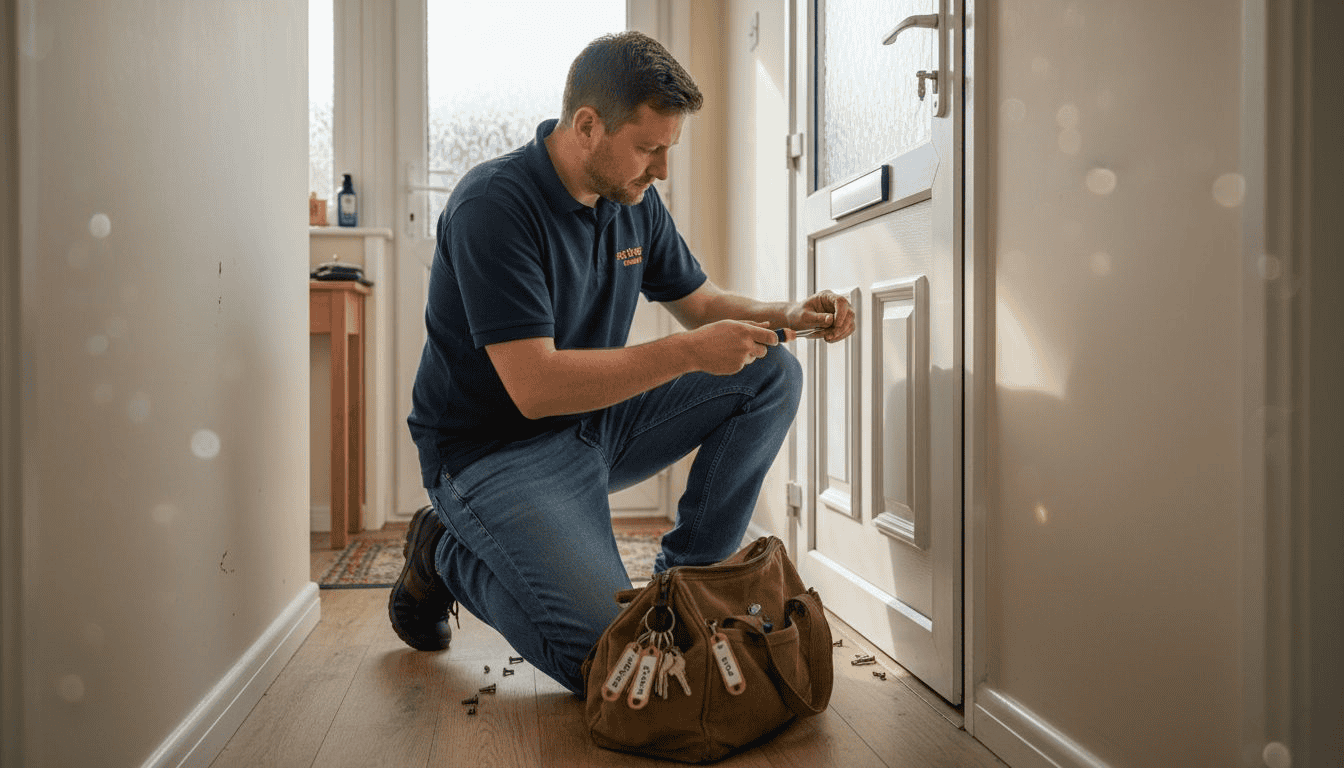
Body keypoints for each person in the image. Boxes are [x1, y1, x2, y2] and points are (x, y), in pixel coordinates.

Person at [393, 30, 854, 694]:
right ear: (586, 126)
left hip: (593, 425)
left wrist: (787, 316)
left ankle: (685, 588)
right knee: (617, 665)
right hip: (491, 454)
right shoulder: (492, 206)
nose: (661, 170)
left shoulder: (633, 200)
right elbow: (535, 388)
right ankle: (442, 550)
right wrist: (691, 352)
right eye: (648, 149)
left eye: (667, 150)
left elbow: (702, 305)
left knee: (770, 372)